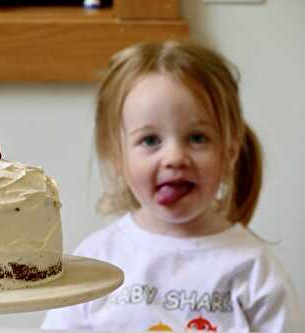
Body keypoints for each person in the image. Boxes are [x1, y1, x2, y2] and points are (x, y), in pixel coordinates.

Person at [41, 40, 303, 332]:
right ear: (117, 156)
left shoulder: (253, 267)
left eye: (197, 138)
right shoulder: (97, 258)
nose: (175, 157)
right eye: (150, 140)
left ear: (229, 150)